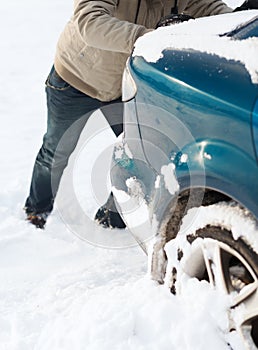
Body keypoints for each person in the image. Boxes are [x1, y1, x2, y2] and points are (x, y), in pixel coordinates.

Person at [24, 0, 257, 229]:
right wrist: (151, 37)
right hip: (76, 79)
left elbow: (208, 8)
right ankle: (37, 209)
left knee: (136, 152)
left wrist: (238, 20)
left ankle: (112, 218)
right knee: (56, 151)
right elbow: (90, 21)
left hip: (124, 83)